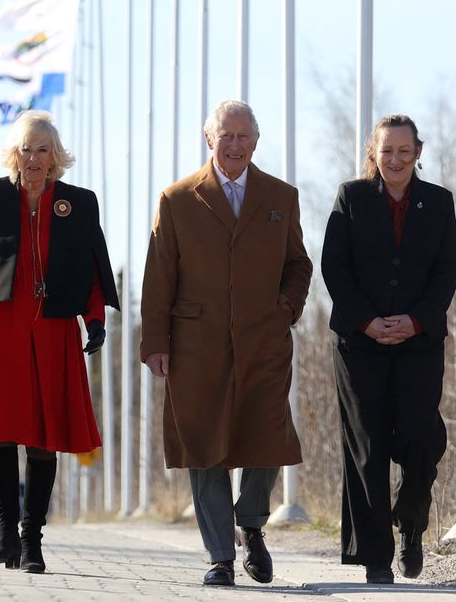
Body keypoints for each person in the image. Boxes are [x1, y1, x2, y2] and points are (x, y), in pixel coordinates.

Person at [141, 100, 312, 586]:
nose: (235, 145)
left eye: (243, 137)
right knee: (205, 447)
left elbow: (298, 265)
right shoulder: (177, 199)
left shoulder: (281, 196)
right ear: (208, 139)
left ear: (255, 142)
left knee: (267, 437)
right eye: (226, 136)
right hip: (196, 344)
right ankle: (220, 557)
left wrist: (285, 308)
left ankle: (251, 523)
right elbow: (158, 277)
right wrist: (155, 341)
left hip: (264, 341)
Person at [0, 111, 119, 574]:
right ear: (15, 153)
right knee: (1, 433)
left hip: (52, 331)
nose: (33, 158)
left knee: (44, 438)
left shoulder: (78, 203)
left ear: (55, 156)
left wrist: (95, 318)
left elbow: (91, 267)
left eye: (42, 149)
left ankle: (32, 541)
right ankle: (5, 533)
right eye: (26, 148)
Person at [321, 114, 456, 584]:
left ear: (418, 152)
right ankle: (376, 558)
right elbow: (334, 267)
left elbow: (447, 270)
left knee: (421, 436)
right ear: (373, 154)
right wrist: (367, 321)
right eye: (387, 151)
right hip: (359, 344)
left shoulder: (439, 203)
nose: (395, 159)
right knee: (368, 445)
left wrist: (416, 320)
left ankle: (412, 522)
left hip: (419, 341)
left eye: (404, 151)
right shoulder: (352, 198)